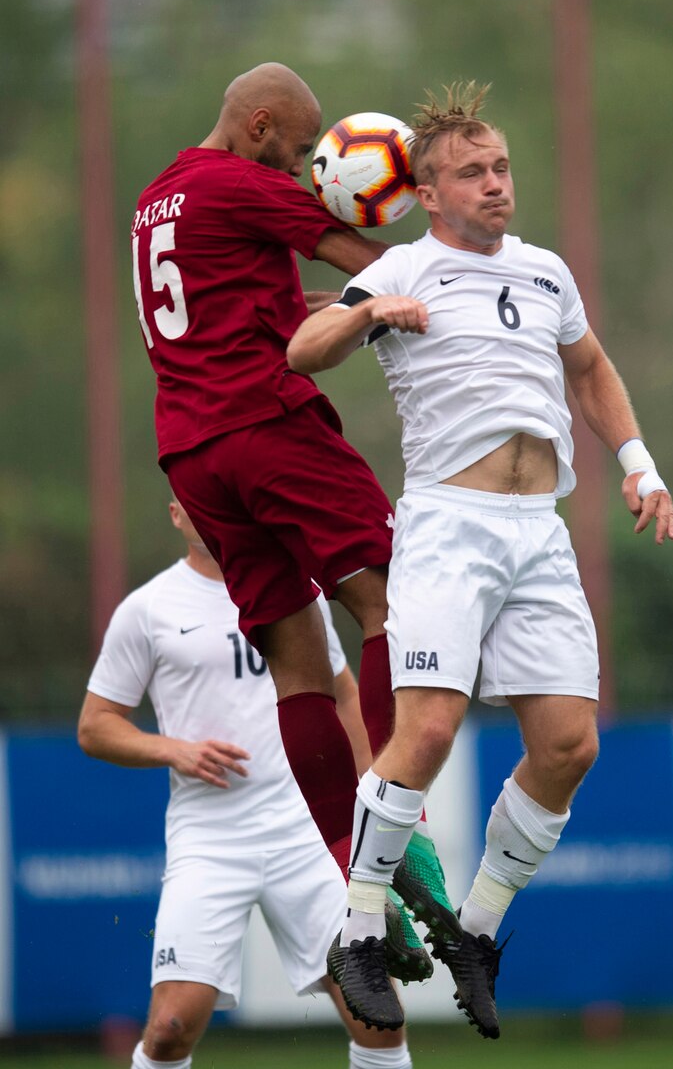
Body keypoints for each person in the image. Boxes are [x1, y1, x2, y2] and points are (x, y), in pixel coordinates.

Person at [287, 80, 673, 1037]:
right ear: (425, 190)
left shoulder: (546, 271)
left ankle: (477, 932)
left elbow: (588, 368)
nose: (497, 185)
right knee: (422, 738)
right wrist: (372, 310)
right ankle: (359, 934)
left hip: (540, 531)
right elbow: (303, 349)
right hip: (450, 530)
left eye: (501, 167)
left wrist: (638, 464)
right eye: (472, 173)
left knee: (569, 745)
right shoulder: (402, 268)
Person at [130, 61, 452, 930]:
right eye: (303, 147)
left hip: (192, 454)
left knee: (299, 664)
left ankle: (356, 880)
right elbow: (377, 262)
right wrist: (459, 276)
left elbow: (231, 300)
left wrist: (321, 306)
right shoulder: (243, 183)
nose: (306, 168)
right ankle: (402, 826)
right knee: (393, 602)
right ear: (261, 125)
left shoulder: (159, 198)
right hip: (268, 427)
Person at [77, 497, 423, 1069]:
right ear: (174, 515)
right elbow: (95, 727)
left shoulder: (296, 592)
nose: (203, 511)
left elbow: (341, 696)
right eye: (191, 504)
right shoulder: (148, 609)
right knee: (168, 1028)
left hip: (305, 832)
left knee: (379, 1015)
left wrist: (372, 799)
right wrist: (175, 750)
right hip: (209, 839)